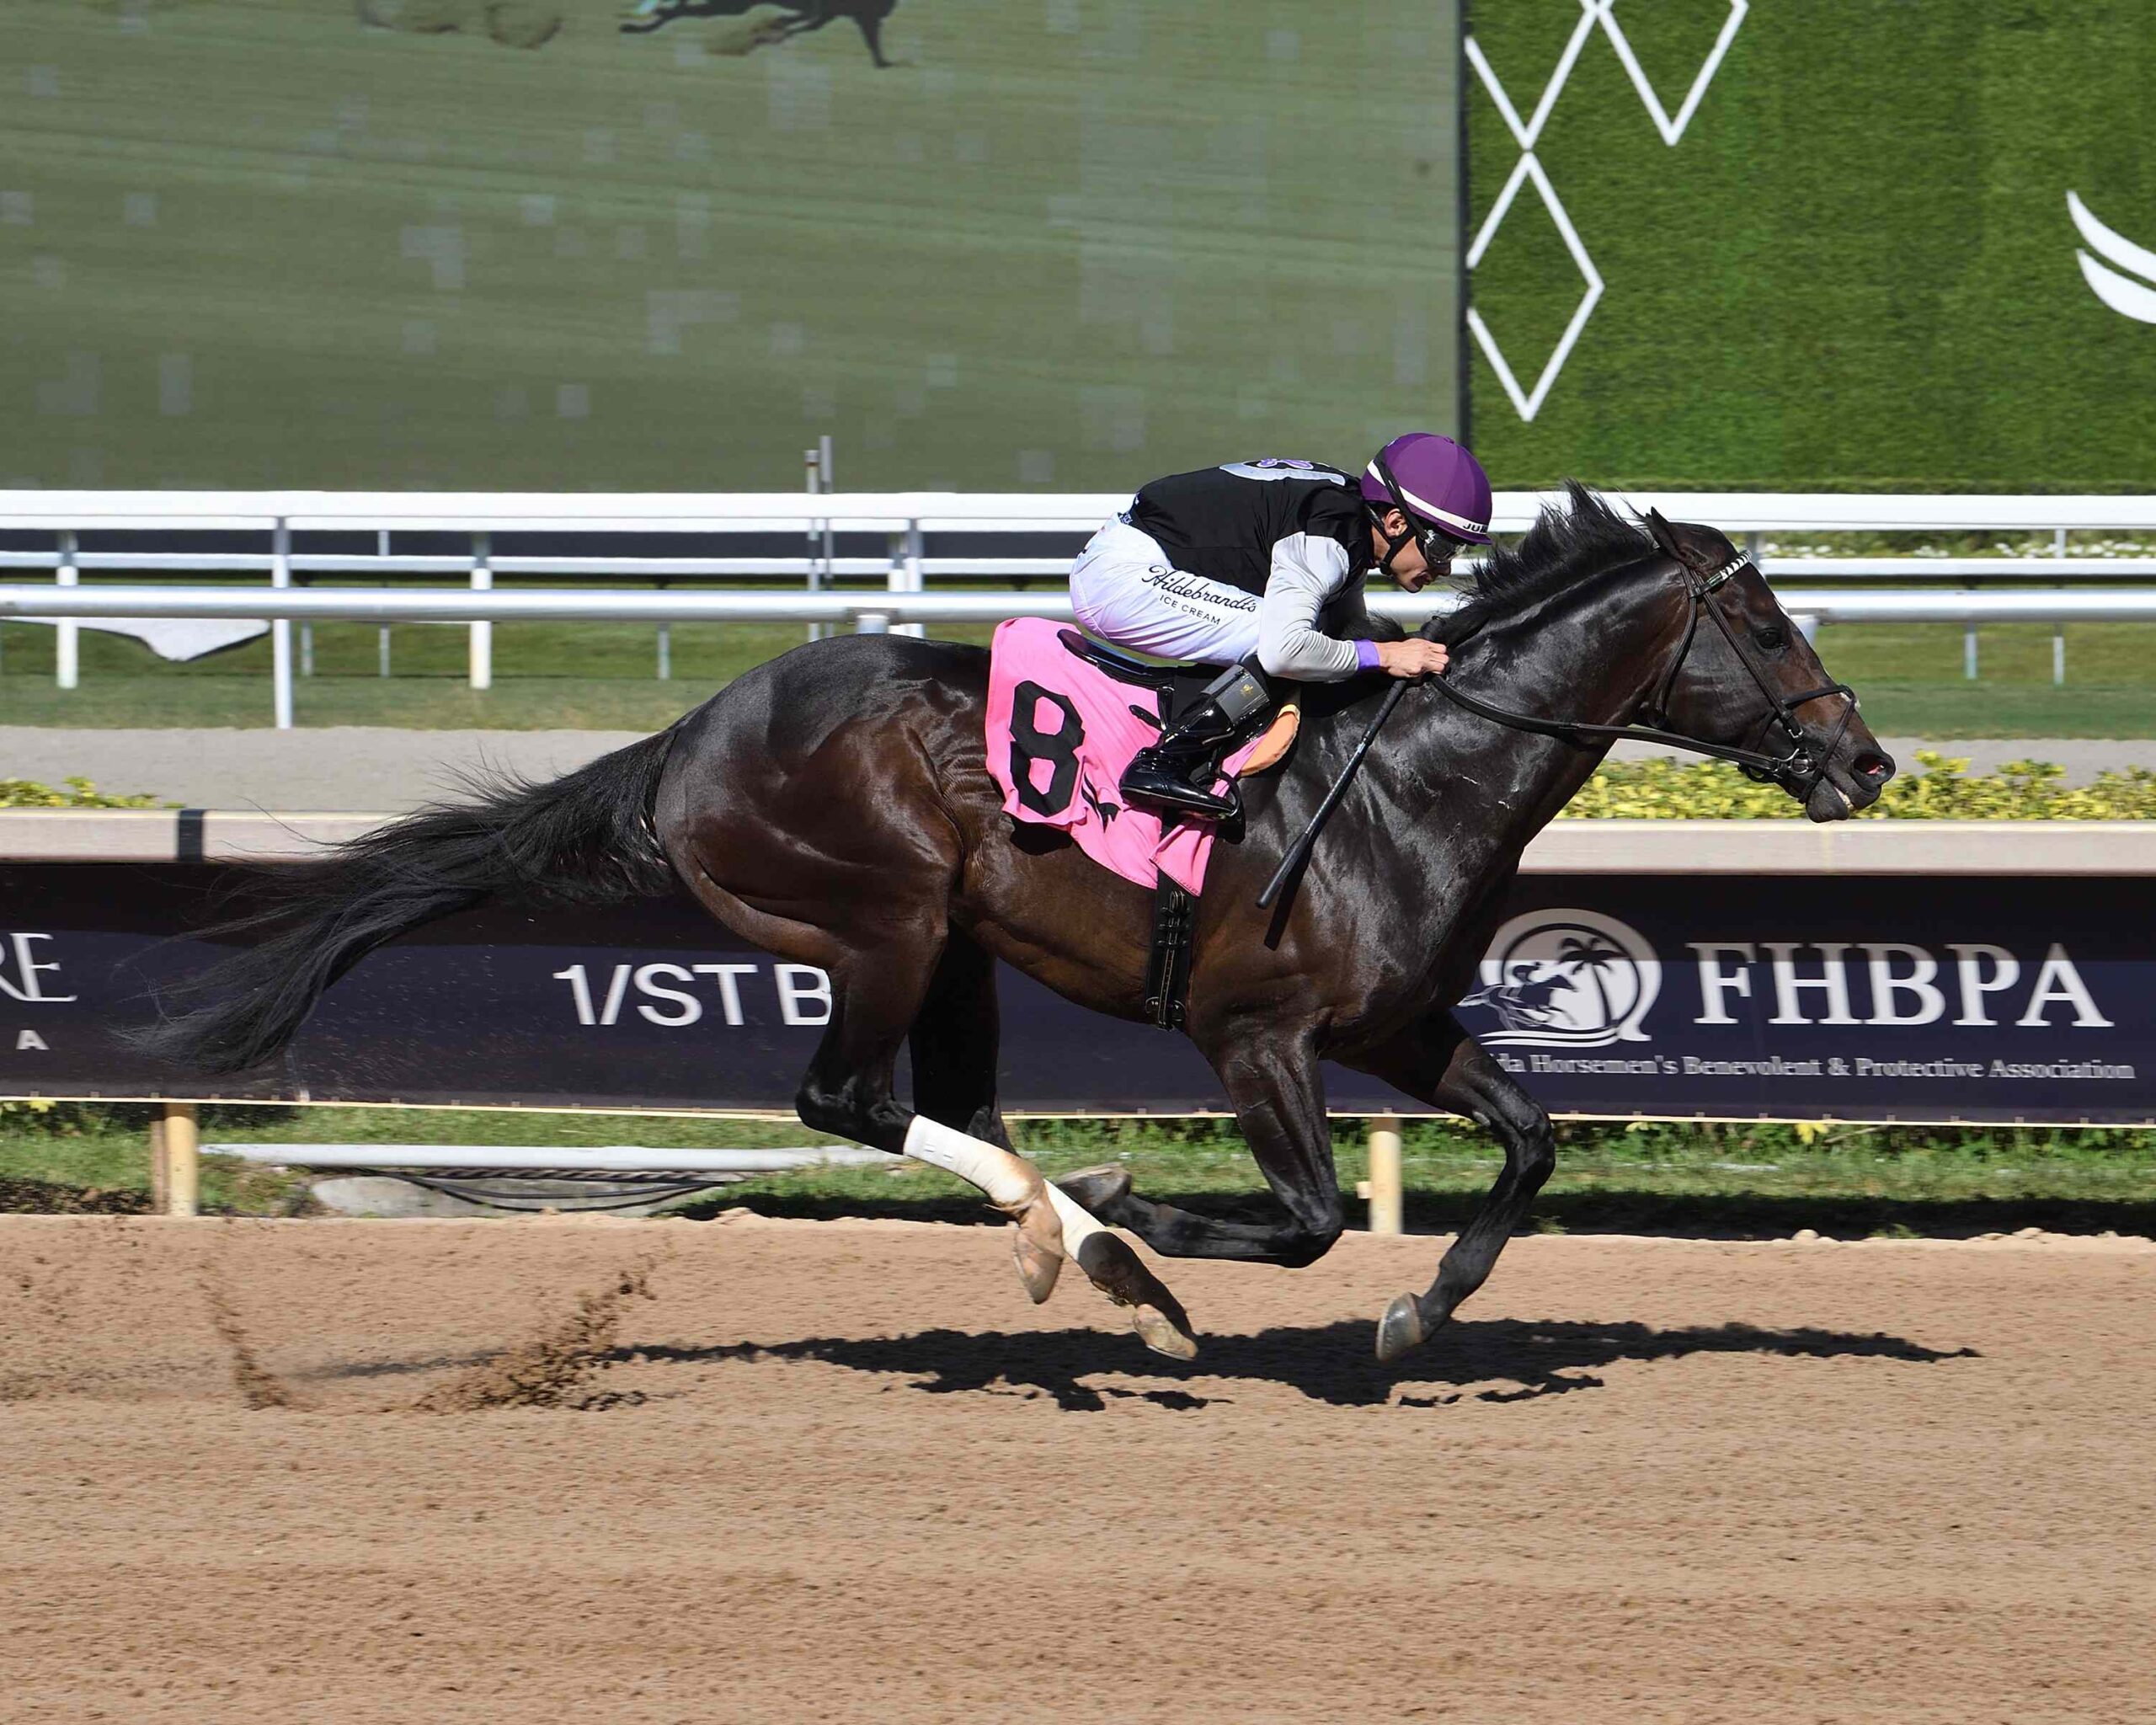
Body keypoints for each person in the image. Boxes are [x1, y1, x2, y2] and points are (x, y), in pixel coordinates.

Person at [1070, 432, 1492, 819]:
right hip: (1120, 577)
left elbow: (1349, 630)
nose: (1445, 565)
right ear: (1396, 523)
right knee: (1288, 642)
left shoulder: (1349, 526)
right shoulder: (1326, 539)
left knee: (1326, 641)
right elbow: (1285, 650)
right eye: (1441, 545)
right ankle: (1163, 762)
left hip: (1148, 550)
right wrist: (1385, 655)